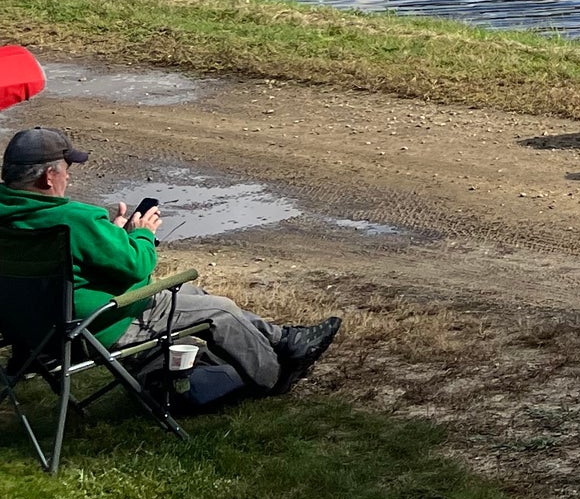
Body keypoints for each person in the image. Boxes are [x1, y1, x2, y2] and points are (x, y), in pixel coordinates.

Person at [0, 127, 340, 393]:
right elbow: (137, 265)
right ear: (48, 177)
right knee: (219, 310)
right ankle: (274, 378)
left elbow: (71, 262)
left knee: (192, 294)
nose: (69, 176)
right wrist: (142, 234)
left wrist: (114, 234)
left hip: (29, 332)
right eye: (67, 168)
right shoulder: (75, 219)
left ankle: (284, 339)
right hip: (94, 328)